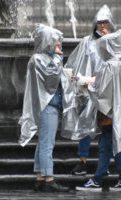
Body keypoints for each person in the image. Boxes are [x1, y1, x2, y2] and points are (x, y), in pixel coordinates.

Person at [75, 28, 121, 192]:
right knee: (113, 146)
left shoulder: (109, 66)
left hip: (108, 113)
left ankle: (99, 179)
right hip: (119, 112)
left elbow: (100, 89)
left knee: (107, 146)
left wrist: (83, 81)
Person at [18, 24, 76, 192]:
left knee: (43, 143)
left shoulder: (46, 59)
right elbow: (51, 78)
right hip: (47, 106)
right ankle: (49, 179)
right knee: (47, 144)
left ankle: (39, 178)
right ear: (47, 42)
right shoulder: (38, 59)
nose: (59, 45)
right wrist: (59, 59)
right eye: (56, 42)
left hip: (50, 107)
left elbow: (57, 77)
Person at [65, 4, 116, 176]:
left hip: (104, 92)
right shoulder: (87, 42)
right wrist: (76, 80)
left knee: (104, 129)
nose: (102, 26)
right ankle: (83, 161)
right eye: (99, 23)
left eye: (105, 23)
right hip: (87, 88)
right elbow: (73, 62)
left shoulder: (114, 42)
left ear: (110, 24)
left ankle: (104, 163)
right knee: (85, 125)